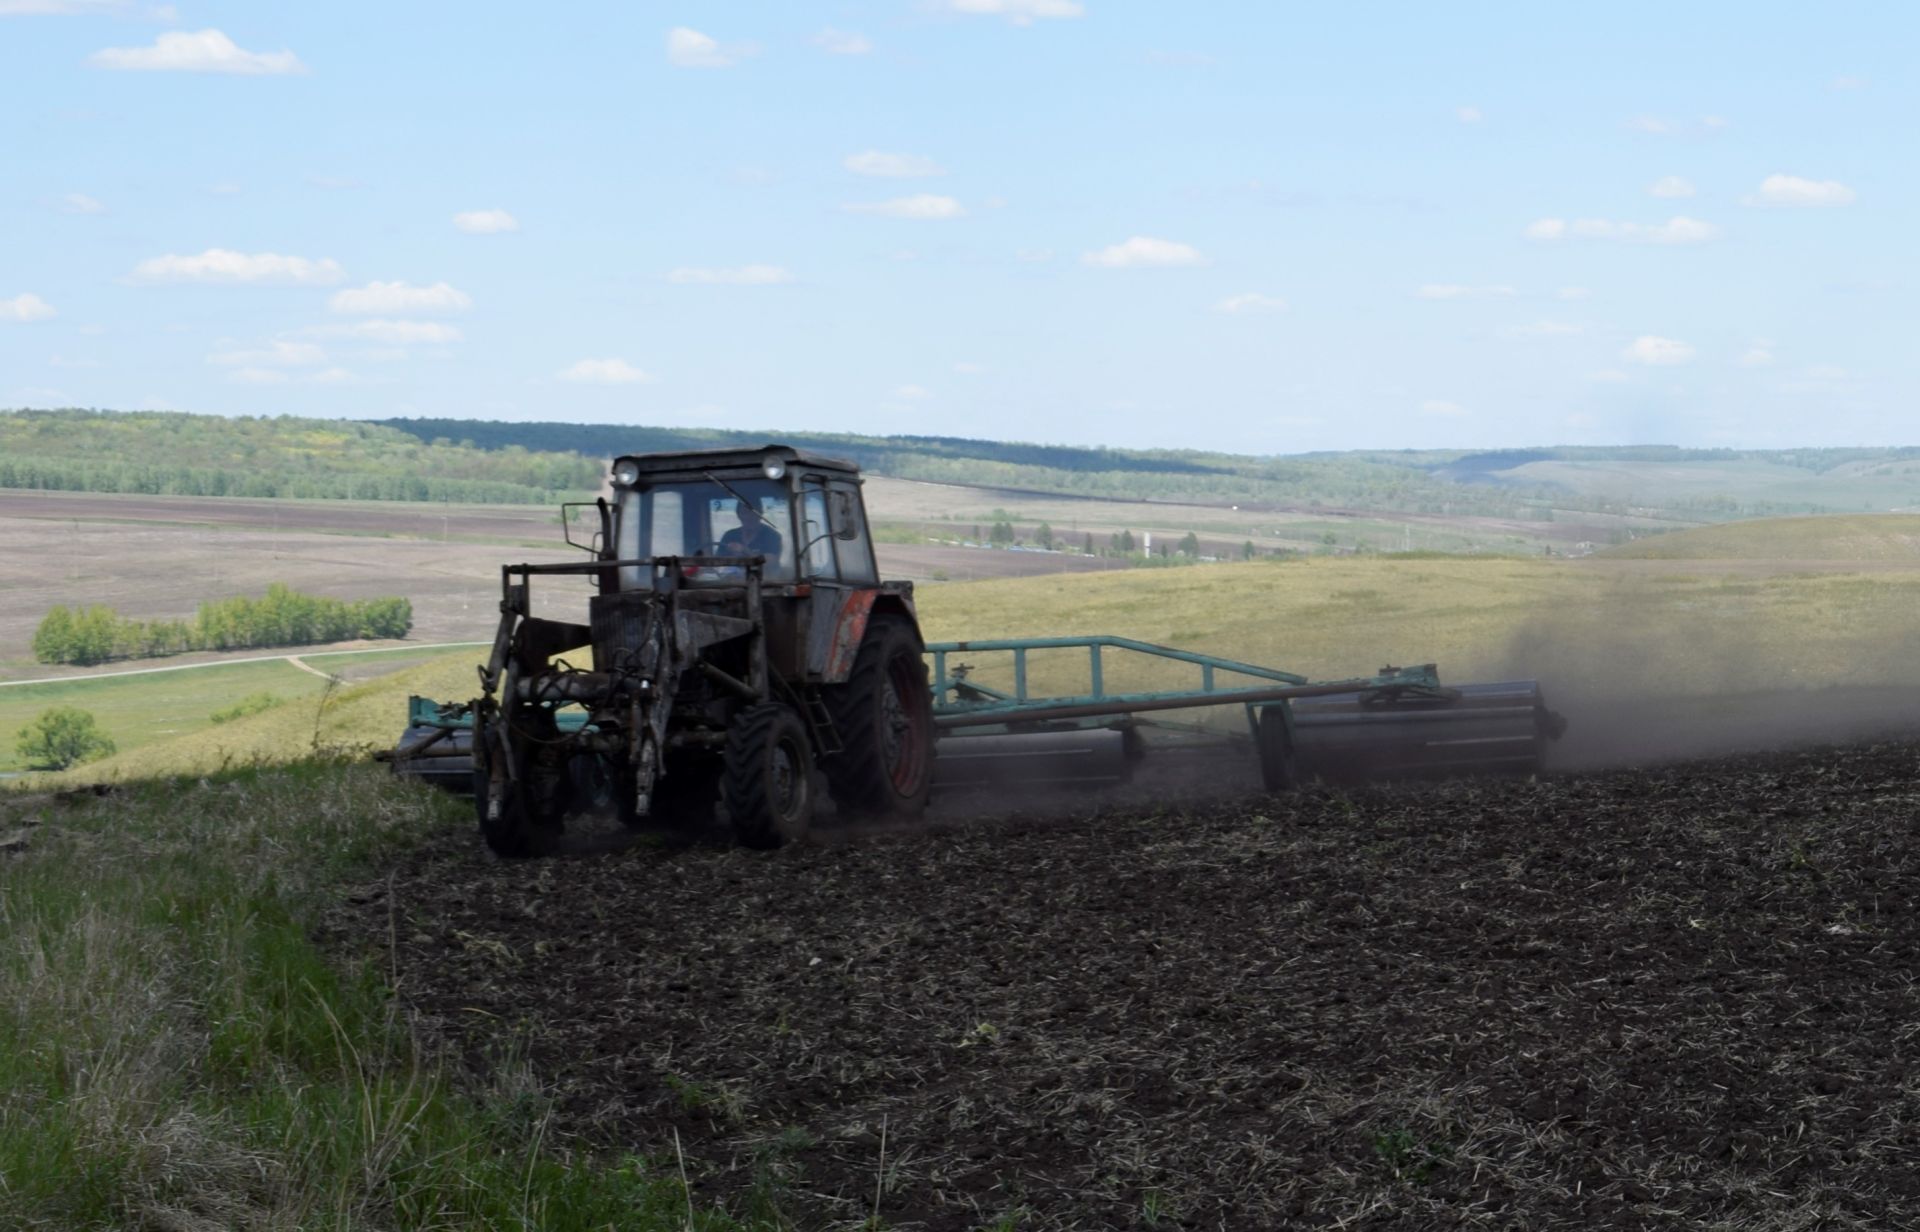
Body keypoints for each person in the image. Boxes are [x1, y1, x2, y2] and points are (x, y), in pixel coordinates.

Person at [718, 499, 783, 560]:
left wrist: (745, 551)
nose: (748, 517)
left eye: (752, 512)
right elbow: (718, 562)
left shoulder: (772, 536)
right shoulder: (729, 535)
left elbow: (770, 563)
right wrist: (735, 557)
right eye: (744, 512)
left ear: (760, 513)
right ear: (738, 515)